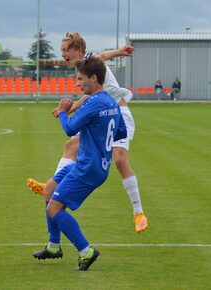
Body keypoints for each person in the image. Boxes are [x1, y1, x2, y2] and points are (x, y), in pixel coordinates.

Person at [27, 32, 148, 234]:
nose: (63, 54)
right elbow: (90, 97)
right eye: (62, 50)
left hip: (119, 112)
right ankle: (54, 184)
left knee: (119, 159)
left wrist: (120, 51)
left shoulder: (91, 62)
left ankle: (138, 212)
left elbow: (103, 56)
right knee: (71, 145)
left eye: (67, 50)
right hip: (102, 113)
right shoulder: (85, 72)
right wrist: (69, 109)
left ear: (79, 51)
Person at [33, 56, 127, 270]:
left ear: (94, 78)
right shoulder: (112, 101)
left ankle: (86, 251)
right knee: (49, 191)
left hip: (87, 168)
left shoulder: (93, 103)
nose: (78, 83)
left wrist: (64, 113)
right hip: (95, 164)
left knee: (54, 208)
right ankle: (54, 246)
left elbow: (69, 129)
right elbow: (120, 131)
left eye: (81, 78)